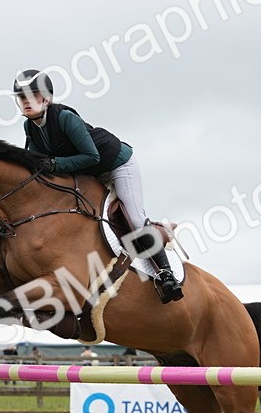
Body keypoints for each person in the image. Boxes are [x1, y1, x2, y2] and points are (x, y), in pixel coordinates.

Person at [13, 68, 183, 304]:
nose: (26, 102)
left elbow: (91, 156)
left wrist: (53, 163)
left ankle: (166, 275)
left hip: (117, 165)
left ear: (46, 98)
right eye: (22, 98)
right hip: (88, 176)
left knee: (133, 217)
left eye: (32, 96)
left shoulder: (64, 118)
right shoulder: (30, 127)